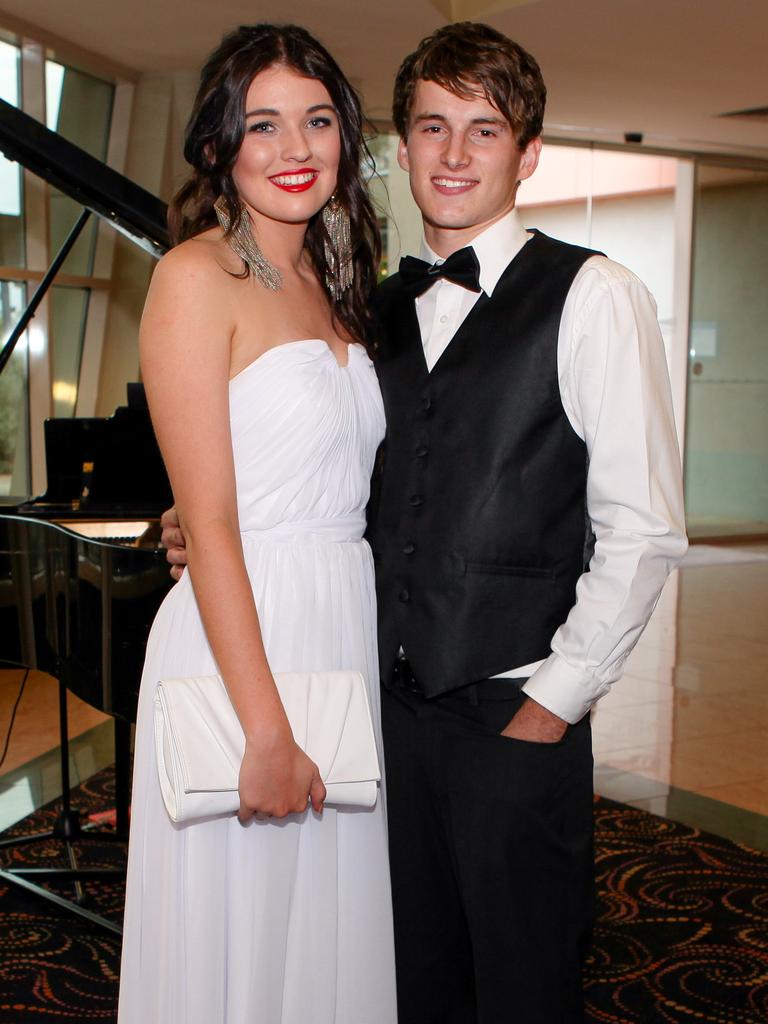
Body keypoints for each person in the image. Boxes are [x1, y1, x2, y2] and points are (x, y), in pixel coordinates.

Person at [163, 20, 688, 1024]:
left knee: (526, 990)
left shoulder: (595, 295)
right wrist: (197, 511)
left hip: (514, 715)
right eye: (432, 128)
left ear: (528, 154)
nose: (453, 155)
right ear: (399, 150)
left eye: (483, 131)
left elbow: (644, 530)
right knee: (406, 983)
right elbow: (333, 468)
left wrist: (552, 706)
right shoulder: (365, 308)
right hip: (380, 712)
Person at [119, 24, 397, 1024]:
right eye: (263, 124)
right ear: (219, 148)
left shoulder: (336, 288)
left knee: (321, 935)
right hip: (246, 647)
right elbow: (218, 525)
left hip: (336, 624)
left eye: (317, 120)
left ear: (344, 140)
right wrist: (268, 729)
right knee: (239, 936)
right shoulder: (192, 278)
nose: (295, 148)